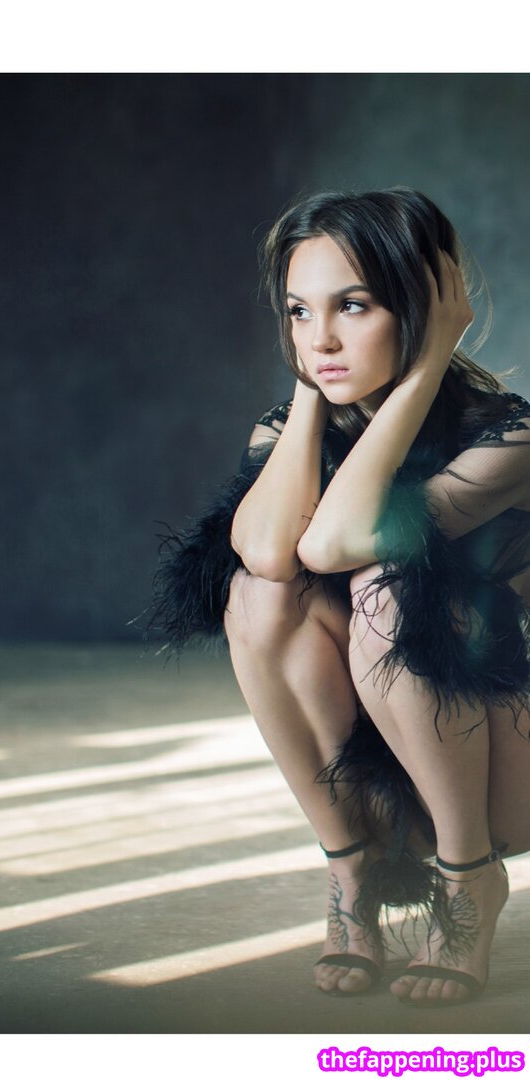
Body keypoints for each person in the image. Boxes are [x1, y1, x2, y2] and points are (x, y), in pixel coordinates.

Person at [148, 187, 530, 1007]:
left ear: (421, 306)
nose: (319, 339)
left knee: (389, 591)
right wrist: (311, 396)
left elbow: (336, 544)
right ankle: (352, 870)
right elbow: (267, 554)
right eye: (298, 312)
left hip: (506, 767)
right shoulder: (290, 426)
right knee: (259, 597)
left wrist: (427, 364)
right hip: (381, 770)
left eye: (352, 306)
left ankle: (469, 877)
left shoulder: (508, 438)